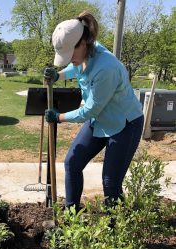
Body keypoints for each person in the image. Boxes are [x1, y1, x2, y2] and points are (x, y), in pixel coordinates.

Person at [44, 11, 144, 211]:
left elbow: (89, 110)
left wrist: (59, 117)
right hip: (101, 118)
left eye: (70, 53)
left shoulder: (106, 68)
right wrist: (58, 75)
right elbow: (77, 66)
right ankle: (71, 215)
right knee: (72, 162)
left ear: (83, 44)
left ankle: (117, 231)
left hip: (124, 124)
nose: (68, 59)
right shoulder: (86, 54)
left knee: (110, 182)